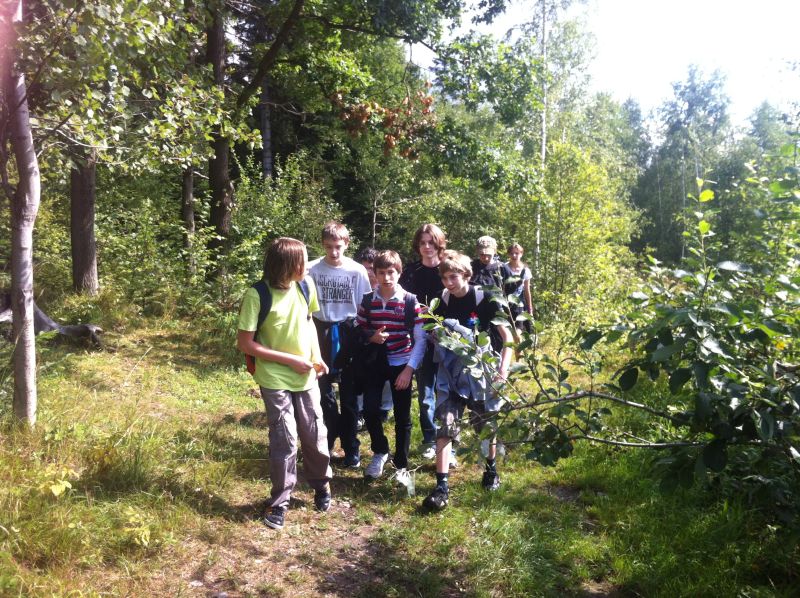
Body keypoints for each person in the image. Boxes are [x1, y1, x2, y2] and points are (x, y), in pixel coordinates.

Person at [237, 237, 332, 530]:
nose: (308, 266)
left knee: (314, 433)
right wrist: (290, 360)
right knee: (285, 439)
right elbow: (246, 344)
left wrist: (317, 357)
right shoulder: (256, 295)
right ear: (287, 265)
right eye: (303, 260)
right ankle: (280, 501)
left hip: (306, 374)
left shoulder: (305, 286)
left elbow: (309, 322)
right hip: (274, 376)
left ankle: (321, 485)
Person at [422, 250, 512, 511]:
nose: (448, 282)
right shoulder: (442, 299)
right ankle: (441, 487)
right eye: (444, 278)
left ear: (466, 275)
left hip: (481, 371)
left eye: (453, 277)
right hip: (451, 373)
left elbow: (507, 338)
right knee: (446, 423)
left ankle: (491, 471)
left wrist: (502, 371)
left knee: (485, 424)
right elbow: (433, 331)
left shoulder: (485, 298)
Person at [356, 250, 425, 483]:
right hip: (376, 362)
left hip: (401, 362)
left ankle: (401, 463)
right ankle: (380, 451)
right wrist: (371, 336)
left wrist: (409, 369)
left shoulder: (410, 301)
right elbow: (360, 328)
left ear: (399, 273)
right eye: (381, 273)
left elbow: (420, 339)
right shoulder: (368, 300)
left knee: (402, 416)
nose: (386, 278)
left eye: (391, 272)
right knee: (370, 410)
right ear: (375, 274)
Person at [308, 222, 372, 468]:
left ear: (346, 244)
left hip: (347, 332)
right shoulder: (312, 269)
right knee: (323, 394)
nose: (333, 252)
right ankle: (327, 441)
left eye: (338, 246)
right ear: (322, 245)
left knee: (349, 397)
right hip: (319, 331)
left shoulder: (357, 271)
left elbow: (364, 306)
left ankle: (351, 447)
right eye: (328, 247)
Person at [398, 223, 447, 460]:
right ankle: (429, 438)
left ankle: (448, 439)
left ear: (439, 244)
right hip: (419, 337)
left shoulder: (448, 269)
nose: (427, 247)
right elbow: (402, 302)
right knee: (426, 392)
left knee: (446, 391)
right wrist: (417, 311)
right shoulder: (411, 272)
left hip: (447, 337)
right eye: (423, 243)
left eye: (431, 242)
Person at [354, 246, 393, 426]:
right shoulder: (356, 285)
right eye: (365, 268)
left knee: (387, 376)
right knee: (360, 374)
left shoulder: (388, 286)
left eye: (371, 268)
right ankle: (360, 410)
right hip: (363, 336)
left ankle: (385, 407)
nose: (368, 273)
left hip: (386, 338)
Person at [505, 242, 533, 331]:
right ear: (508, 254)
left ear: (521, 254)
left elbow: (527, 290)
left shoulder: (525, 270)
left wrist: (530, 309)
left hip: (519, 304)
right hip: (505, 303)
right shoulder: (504, 268)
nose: (514, 255)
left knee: (519, 329)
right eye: (512, 253)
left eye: (516, 253)